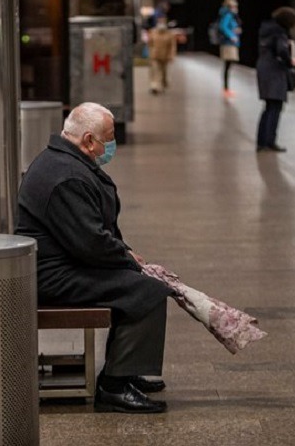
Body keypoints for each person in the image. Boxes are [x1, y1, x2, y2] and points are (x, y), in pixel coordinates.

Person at [15, 102, 173, 414]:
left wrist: (125, 255)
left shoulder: (64, 159)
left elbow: (90, 236)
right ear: (89, 140)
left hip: (62, 263)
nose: (111, 146)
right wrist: (129, 261)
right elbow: (89, 243)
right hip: (51, 275)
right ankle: (113, 387)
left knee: (134, 284)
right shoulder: (65, 176)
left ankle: (125, 370)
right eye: (108, 139)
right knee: (148, 292)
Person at [255, 6, 295, 152]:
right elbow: (281, 50)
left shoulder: (266, 29)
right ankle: (270, 141)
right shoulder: (280, 32)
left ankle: (261, 142)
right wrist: (290, 61)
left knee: (268, 107)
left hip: (263, 68)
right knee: (275, 107)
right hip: (275, 71)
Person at [217, 0, 242, 98]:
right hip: (228, 44)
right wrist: (232, 36)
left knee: (228, 66)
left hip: (231, 43)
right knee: (227, 65)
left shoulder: (230, 15)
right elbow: (223, 26)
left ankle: (226, 88)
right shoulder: (228, 15)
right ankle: (226, 88)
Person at [147, 18, 178, 94]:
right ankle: (154, 86)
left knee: (164, 72)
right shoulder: (153, 32)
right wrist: (150, 53)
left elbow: (172, 46)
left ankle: (163, 83)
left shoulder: (169, 34)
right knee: (155, 71)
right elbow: (150, 44)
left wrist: (172, 55)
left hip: (165, 56)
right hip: (155, 55)